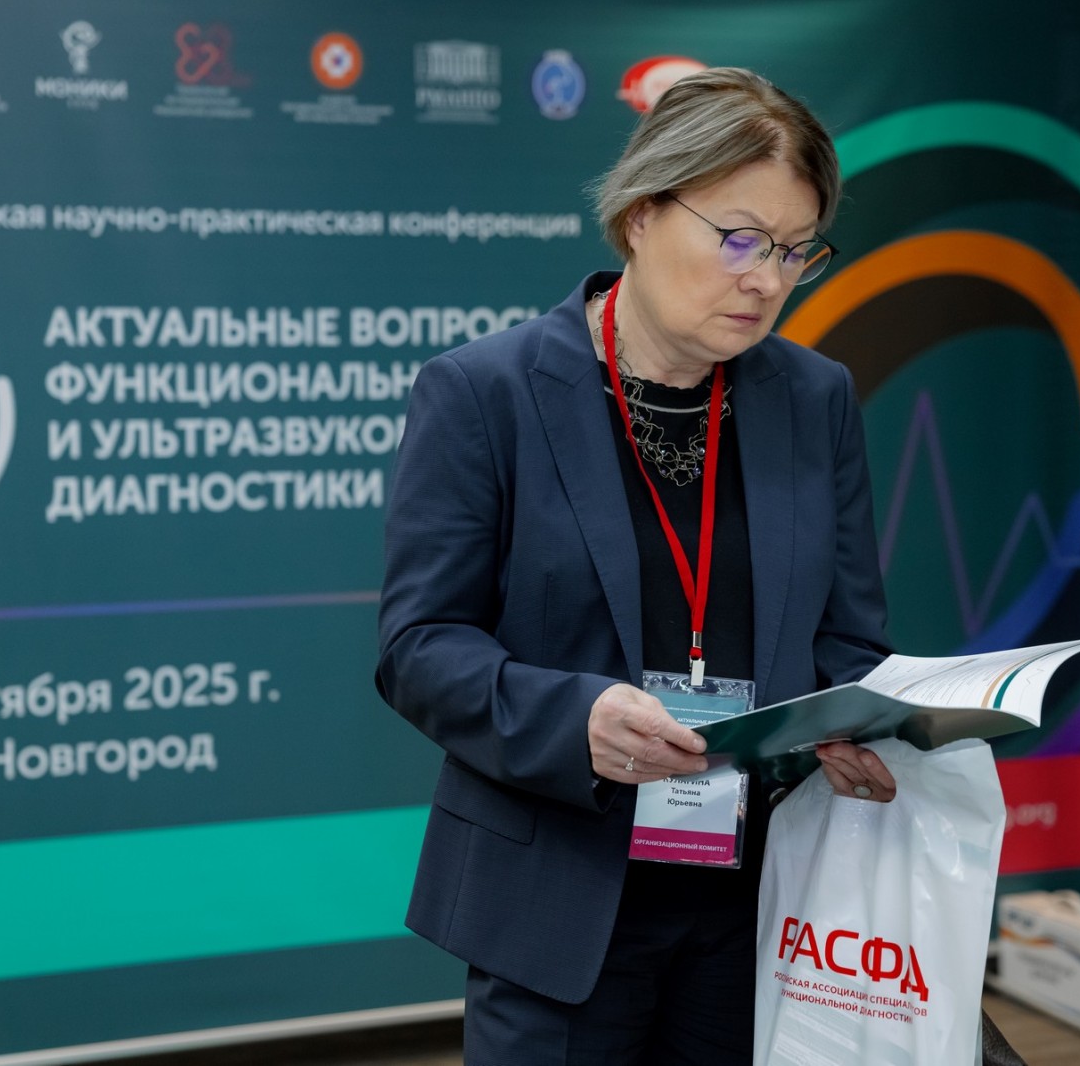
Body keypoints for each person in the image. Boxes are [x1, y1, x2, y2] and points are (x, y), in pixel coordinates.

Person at [376, 67, 896, 1065]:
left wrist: (862, 720)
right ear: (643, 213)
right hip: (555, 902)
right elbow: (419, 647)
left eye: (796, 251)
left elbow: (848, 635)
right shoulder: (484, 393)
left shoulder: (814, 397)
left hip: (756, 906)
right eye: (740, 238)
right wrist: (573, 718)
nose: (767, 279)